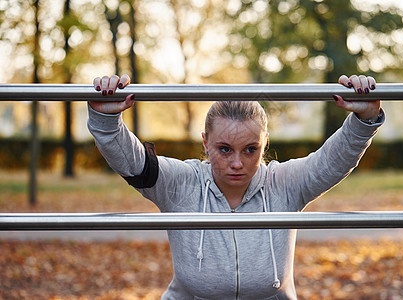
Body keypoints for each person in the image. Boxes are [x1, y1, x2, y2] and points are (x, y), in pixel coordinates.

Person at [88, 74, 383, 299]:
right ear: (205, 142)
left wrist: (363, 119)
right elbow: (135, 164)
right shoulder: (181, 183)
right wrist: (105, 118)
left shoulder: (283, 184)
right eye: (225, 149)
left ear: (264, 143)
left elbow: (331, 163)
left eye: (251, 149)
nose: (238, 163)